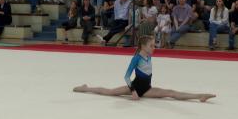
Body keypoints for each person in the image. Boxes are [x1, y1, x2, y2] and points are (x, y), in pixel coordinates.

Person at [73, 35, 216, 102]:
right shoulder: (136, 58)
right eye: (152, 46)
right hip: (134, 88)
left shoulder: (148, 56)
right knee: (108, 92)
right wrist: (133, 92)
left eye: (154, 45)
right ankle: (86, 88)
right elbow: (126, 77)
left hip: (147, 89)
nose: (154, 48)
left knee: (170, 93)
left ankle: (199, 96)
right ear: (143, 47)